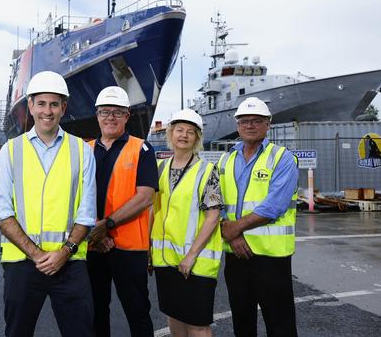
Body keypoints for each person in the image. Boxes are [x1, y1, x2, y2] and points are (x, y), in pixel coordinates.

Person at [0, 71, 96, 337]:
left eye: (54, 104)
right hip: (22, 263)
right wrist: (38, 256)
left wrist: (64, 252)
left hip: (70, 262)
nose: (47, 111)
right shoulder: (11, 151)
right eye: (41, 103)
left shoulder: (82, 150)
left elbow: (86, 213)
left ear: (64, 107)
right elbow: (3, 214)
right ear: (30, 106)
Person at [218, 97, 299, 337]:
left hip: (271, 257)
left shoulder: (282, 158)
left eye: (256, 121)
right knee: (242, 322)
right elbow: (217, 202)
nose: (250, 125)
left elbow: (275, 205)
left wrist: (234, 230)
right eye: (244, 121)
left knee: (280, 324)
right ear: (237, 125)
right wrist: (231, 234)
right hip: (235, 255)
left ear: (268, 125)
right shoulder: (226, 160)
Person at [86, 86, 157, 336]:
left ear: (127, 116)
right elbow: (74, 196)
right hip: (93, 245)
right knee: (95, 312)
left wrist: (106, 225)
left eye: (117, 112)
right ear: (97, 115)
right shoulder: (85, 150)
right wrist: (96, 229)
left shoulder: (142, 149)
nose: (111, 118)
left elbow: (145, 196)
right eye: (105, 112)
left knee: (137, 312)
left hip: (129, 248)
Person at [151, 108, 223, 337]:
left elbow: (213, 216)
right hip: (166, 259)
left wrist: (191, 255)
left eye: (190, 132)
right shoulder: (161, 168)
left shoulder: (206, 171)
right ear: (170, 134)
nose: (184, 135)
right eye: (179, 130)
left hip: (196, 261)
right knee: (174, 314)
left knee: (198, 323)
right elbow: (154, 210)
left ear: (197, 138)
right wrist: (148, 249)